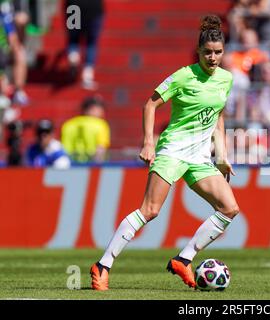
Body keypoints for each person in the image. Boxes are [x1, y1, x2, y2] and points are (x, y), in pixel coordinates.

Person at [90, 15, 239, 291]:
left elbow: (218, 116)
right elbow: (150, 104)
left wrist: (222, 155)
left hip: (199, 156)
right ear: (199, 52)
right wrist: (148, 142)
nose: (213, 58)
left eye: (218, 52)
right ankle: (102, 265)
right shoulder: (184, 76)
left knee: (229, 208)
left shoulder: (226, 80)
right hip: (173, 150)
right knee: (150, 210)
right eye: (208, 52)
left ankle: (184, 259)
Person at [65, 0, 104, 90]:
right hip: (94, 9)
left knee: (73, 38)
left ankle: (73, 54)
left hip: (73, 6)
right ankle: (87, 75)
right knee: (91, 42)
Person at [61, 95, 110, 163]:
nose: (102, 112)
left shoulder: (68, 124)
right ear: (92, 109)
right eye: (100, 108)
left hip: (71, 166)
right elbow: (100, 150)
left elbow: (64, 150)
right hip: (90, 166)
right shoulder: (100, 125)